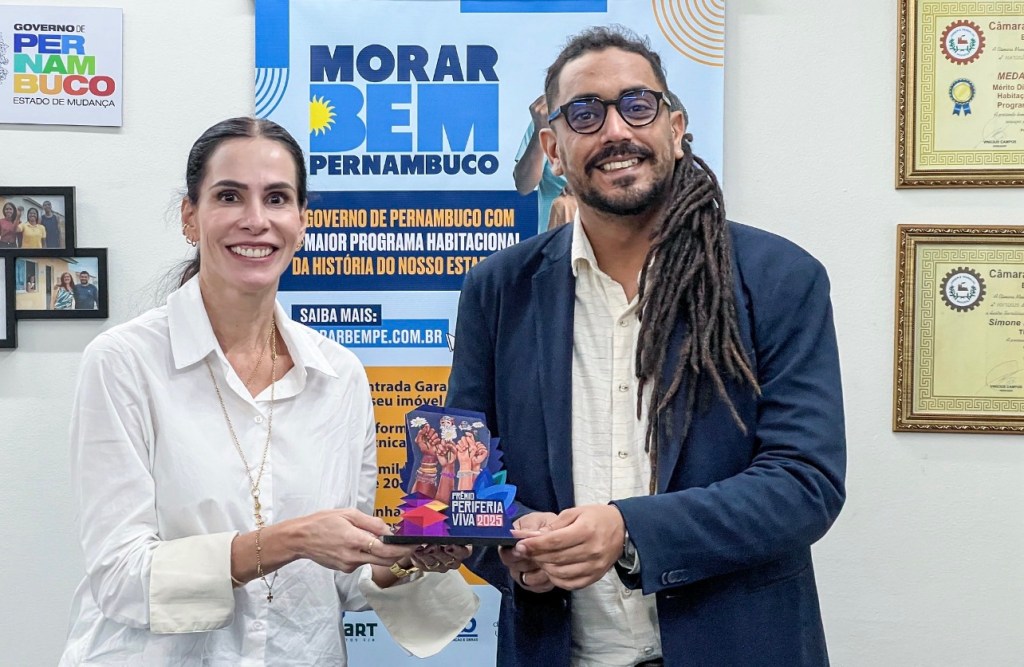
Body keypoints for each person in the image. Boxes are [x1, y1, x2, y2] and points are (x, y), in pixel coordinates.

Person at [446, 26, 845, 667]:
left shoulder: (778, 279)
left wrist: (628, 529)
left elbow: (805, 483)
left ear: (676, 129)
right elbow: (464, 482)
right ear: (552, 149)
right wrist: (513, 548)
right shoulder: (497, 291)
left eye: (638, 105)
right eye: (585, 114)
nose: (615, 131)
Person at [60, 117, 477, 665]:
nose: (255, 220)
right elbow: (121, 577)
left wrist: (402, 559)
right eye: (229, 196)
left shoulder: (339, 375)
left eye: (277, 198)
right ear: (190, 217)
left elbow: (344, 582)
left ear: (302, 221)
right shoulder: (124, 363)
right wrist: (292, 540)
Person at [513, 94, 574, 234]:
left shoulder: (612, 123)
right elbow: (523, 186)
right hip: (554, 238)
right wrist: (540, 129)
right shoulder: (546, 119)